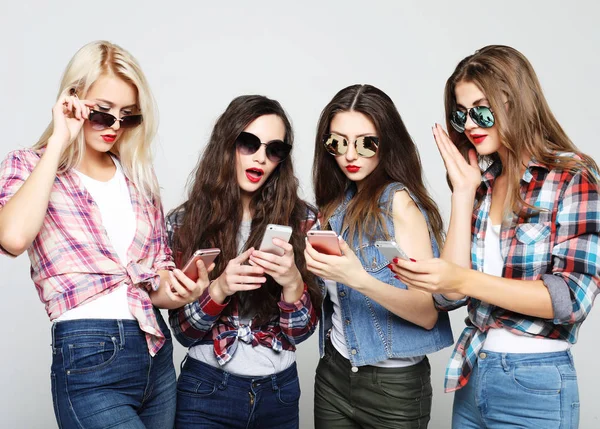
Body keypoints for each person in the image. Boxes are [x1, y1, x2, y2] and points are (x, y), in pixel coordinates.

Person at [392, 45, 600, 428]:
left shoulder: (572, 175)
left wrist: (464, 280)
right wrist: (463, 191)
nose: (470, 124)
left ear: (515, 102)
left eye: (481, 110)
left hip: (535, 381)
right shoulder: (483, 185)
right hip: (474, 371)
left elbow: (572, 298)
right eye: (461, 114)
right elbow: (448, 294)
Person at [0, 40, 197, 428]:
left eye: (128, 116)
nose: (116, 127)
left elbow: (154, 275)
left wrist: (176, 290)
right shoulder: (30, 165)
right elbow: (12, 237)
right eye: (103, 114)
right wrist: (60, 139)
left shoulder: (137, 176)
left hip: (155, 351)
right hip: (89, 354)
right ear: (72, 100)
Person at [166, 95, 321, 429]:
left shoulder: (305, 220)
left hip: (278, 393)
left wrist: (292, 282)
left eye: (274, 149)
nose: (261, 158)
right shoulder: (183, 223)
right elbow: (183, 332)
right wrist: (220, 288)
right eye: (249, 144)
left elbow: (301, 333)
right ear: (227, 144)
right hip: (205, 390)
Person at [305, 84, 453, 429]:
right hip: (334, 375)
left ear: (386, 143)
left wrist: (357, 278)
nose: (350, 155)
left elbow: (425, 313)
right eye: (338, 142)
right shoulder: (333, 206)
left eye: (365, 142)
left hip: (394, 388)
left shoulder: (399, 202)